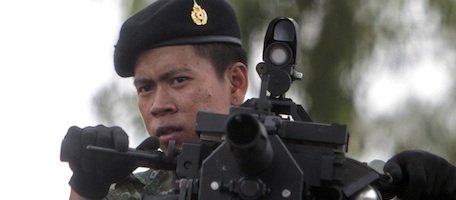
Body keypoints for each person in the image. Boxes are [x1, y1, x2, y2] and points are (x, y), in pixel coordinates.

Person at [60, 0, 456, 199]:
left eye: (178, 80)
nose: (158, 103)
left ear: (235, 83)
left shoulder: (317, 180)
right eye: (145, 88)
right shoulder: (138, 188)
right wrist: (87, 185)